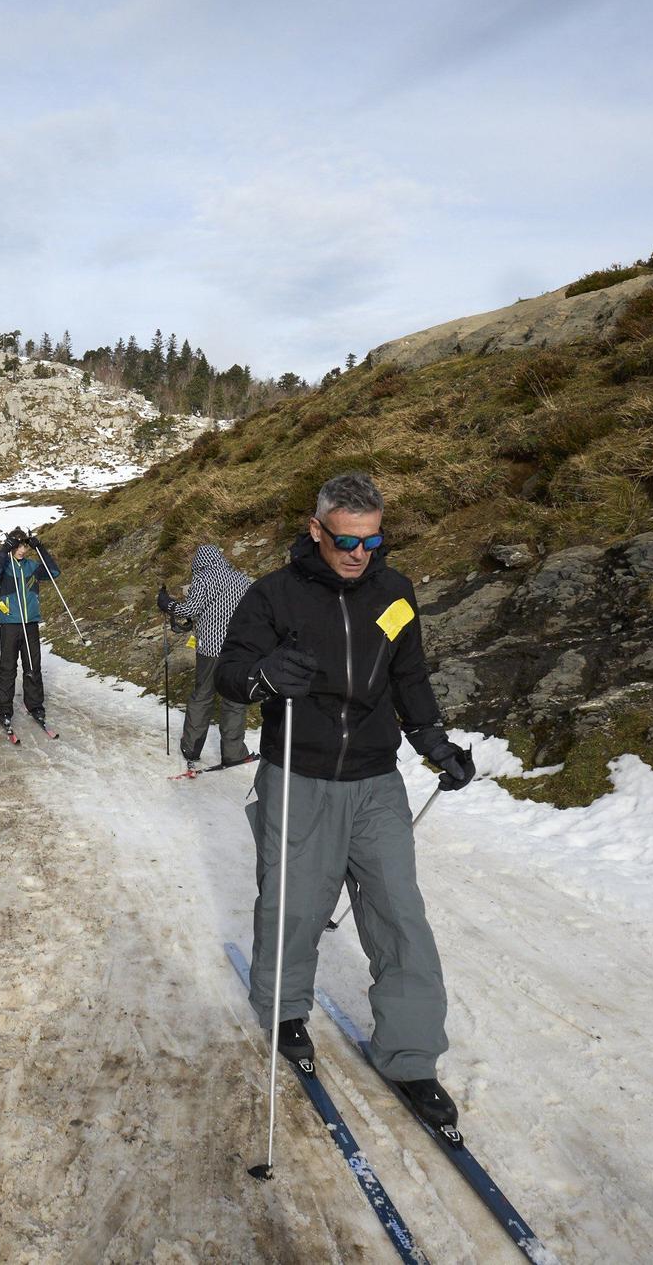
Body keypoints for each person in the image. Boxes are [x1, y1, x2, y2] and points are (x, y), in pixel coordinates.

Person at [214, 472, 476, 1131]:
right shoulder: (274, 595)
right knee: (293, 907)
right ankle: (284, 1008)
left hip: (375, 779)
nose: (361, 553)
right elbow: (231, 669)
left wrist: (435, 743)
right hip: (299, 774)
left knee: (399, 915)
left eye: (373, 540)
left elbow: (408, 675)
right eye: (346, 541)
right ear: (316, 530)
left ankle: (410, 1055)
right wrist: (263, 673)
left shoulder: (394, 592)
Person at [158, 545, 254, 772]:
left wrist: (166, 603)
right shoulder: (241, 579)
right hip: (239, 650)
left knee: (203, 696)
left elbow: (190, 609)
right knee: (234, 700)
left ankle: (191, 747)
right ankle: (234, 752)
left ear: (199, 562)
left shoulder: (204, 578)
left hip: (210, 648)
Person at [0, 526, 60, 734]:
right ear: (11, 546)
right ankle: (3, 709)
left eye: (24, 546)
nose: (21, 550)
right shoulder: (5, 565)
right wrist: (3, 550)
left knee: (32, 666)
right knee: (8, 667)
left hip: (30, 623)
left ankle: (35, 705)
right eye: (17, 546)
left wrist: (40, 547)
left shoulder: (32, 566)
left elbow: (54, 572)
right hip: (10, 623)